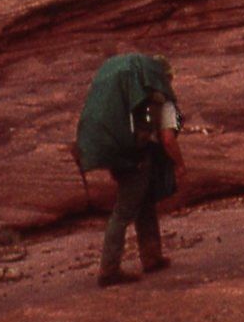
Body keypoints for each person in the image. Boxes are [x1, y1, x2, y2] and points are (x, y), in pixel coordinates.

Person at [75, 53, 184, 288]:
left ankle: (152, 256)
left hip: (119, 152)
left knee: (143, 201)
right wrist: (180, 164)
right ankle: (109, 269)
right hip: (137, 156)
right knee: (123, 211)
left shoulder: (128, 95)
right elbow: (167, 138)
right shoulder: (161, 99)